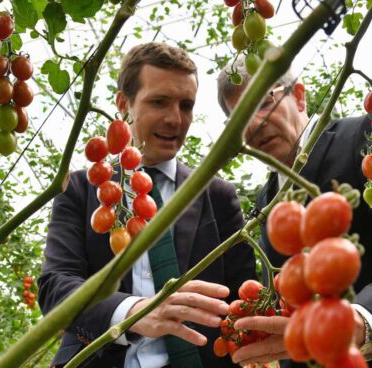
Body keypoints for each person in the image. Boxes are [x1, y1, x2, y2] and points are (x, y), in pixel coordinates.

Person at [217, 58, 372, 368]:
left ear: (300, 96)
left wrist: (366, 319)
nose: (253, 124)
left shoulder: (367, 134)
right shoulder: (266, 202)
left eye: (263, 103)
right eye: (239, 118)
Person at [38, 42, 255, 368]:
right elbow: (56, 287)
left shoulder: (218, 196)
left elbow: (241, 300)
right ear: (124, 104)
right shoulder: (82, 189)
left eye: (186, 105)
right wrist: (133, 312)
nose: (175, 119)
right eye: (159, 102)